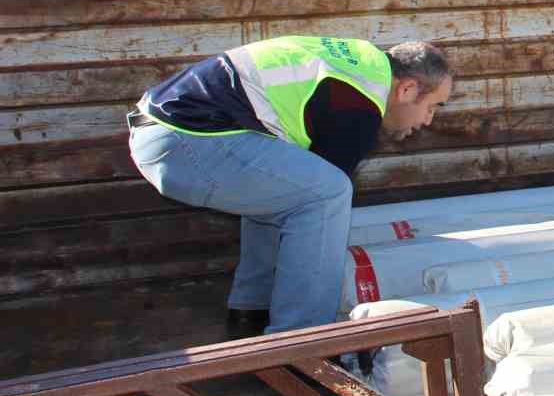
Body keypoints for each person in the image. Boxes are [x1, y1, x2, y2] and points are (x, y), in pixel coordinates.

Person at [126, 36, 451, 335]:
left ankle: (251, 315)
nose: (428, 121)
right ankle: (305, 343)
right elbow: (324, 205)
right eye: (432, 107)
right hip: (187, 139)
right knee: (328, 194)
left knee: (292, 191)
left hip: (169, 132)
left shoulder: (358, 64)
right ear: (407, 89)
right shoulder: (360, 102)